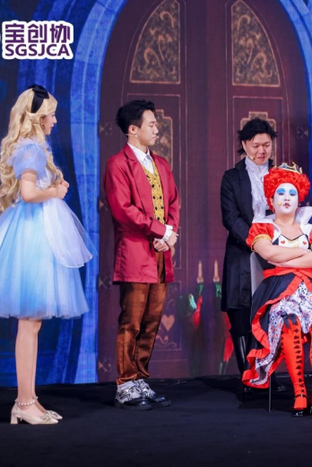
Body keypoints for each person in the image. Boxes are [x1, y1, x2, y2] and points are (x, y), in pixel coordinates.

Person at [0, 84, 94, 425]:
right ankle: (23, 402)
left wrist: (52, 190)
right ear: (38, 117)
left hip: (35, 232)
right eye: (51, 114)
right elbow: (28, 193)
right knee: (29, 324)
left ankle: (29, 400)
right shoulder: (31, 149)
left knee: (32, 324)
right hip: (32, 236)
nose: (55, 120)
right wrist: (55, 191)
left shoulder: (32, 147)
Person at [242, 164, 312, 418]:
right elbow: (268, 253)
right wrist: (302, 252)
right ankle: (300, 393)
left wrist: (283, 259)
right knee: (289, 322)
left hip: (310, 291)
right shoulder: (263, 229)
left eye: (292, 193)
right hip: (278, 292)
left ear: (299, 199)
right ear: (271, 199)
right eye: (281, 193)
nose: (286, 198)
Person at [104, 100, 181, 410]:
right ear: (133, 129)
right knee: (131, 321)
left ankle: (140, 380)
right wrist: (160, 231)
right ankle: (125, 384)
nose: (156, 129)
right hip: (135, 252)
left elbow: (173, 202)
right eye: (151, 124)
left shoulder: (161, 163)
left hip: (160, 254)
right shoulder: (118, 164)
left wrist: (169, 233)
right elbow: (123, 210)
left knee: (151, 321)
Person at [220, 118, 277, 382]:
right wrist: (256, 241)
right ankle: (248, 376)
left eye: (267, 144)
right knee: (242, 315)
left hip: (276, 252)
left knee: (272, 314)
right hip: (243, 252)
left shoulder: (282, 174)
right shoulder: (232, 178)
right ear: (244, 145)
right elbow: (231, 218)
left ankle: (268, 376)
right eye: (256, 145)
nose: (262, 151)